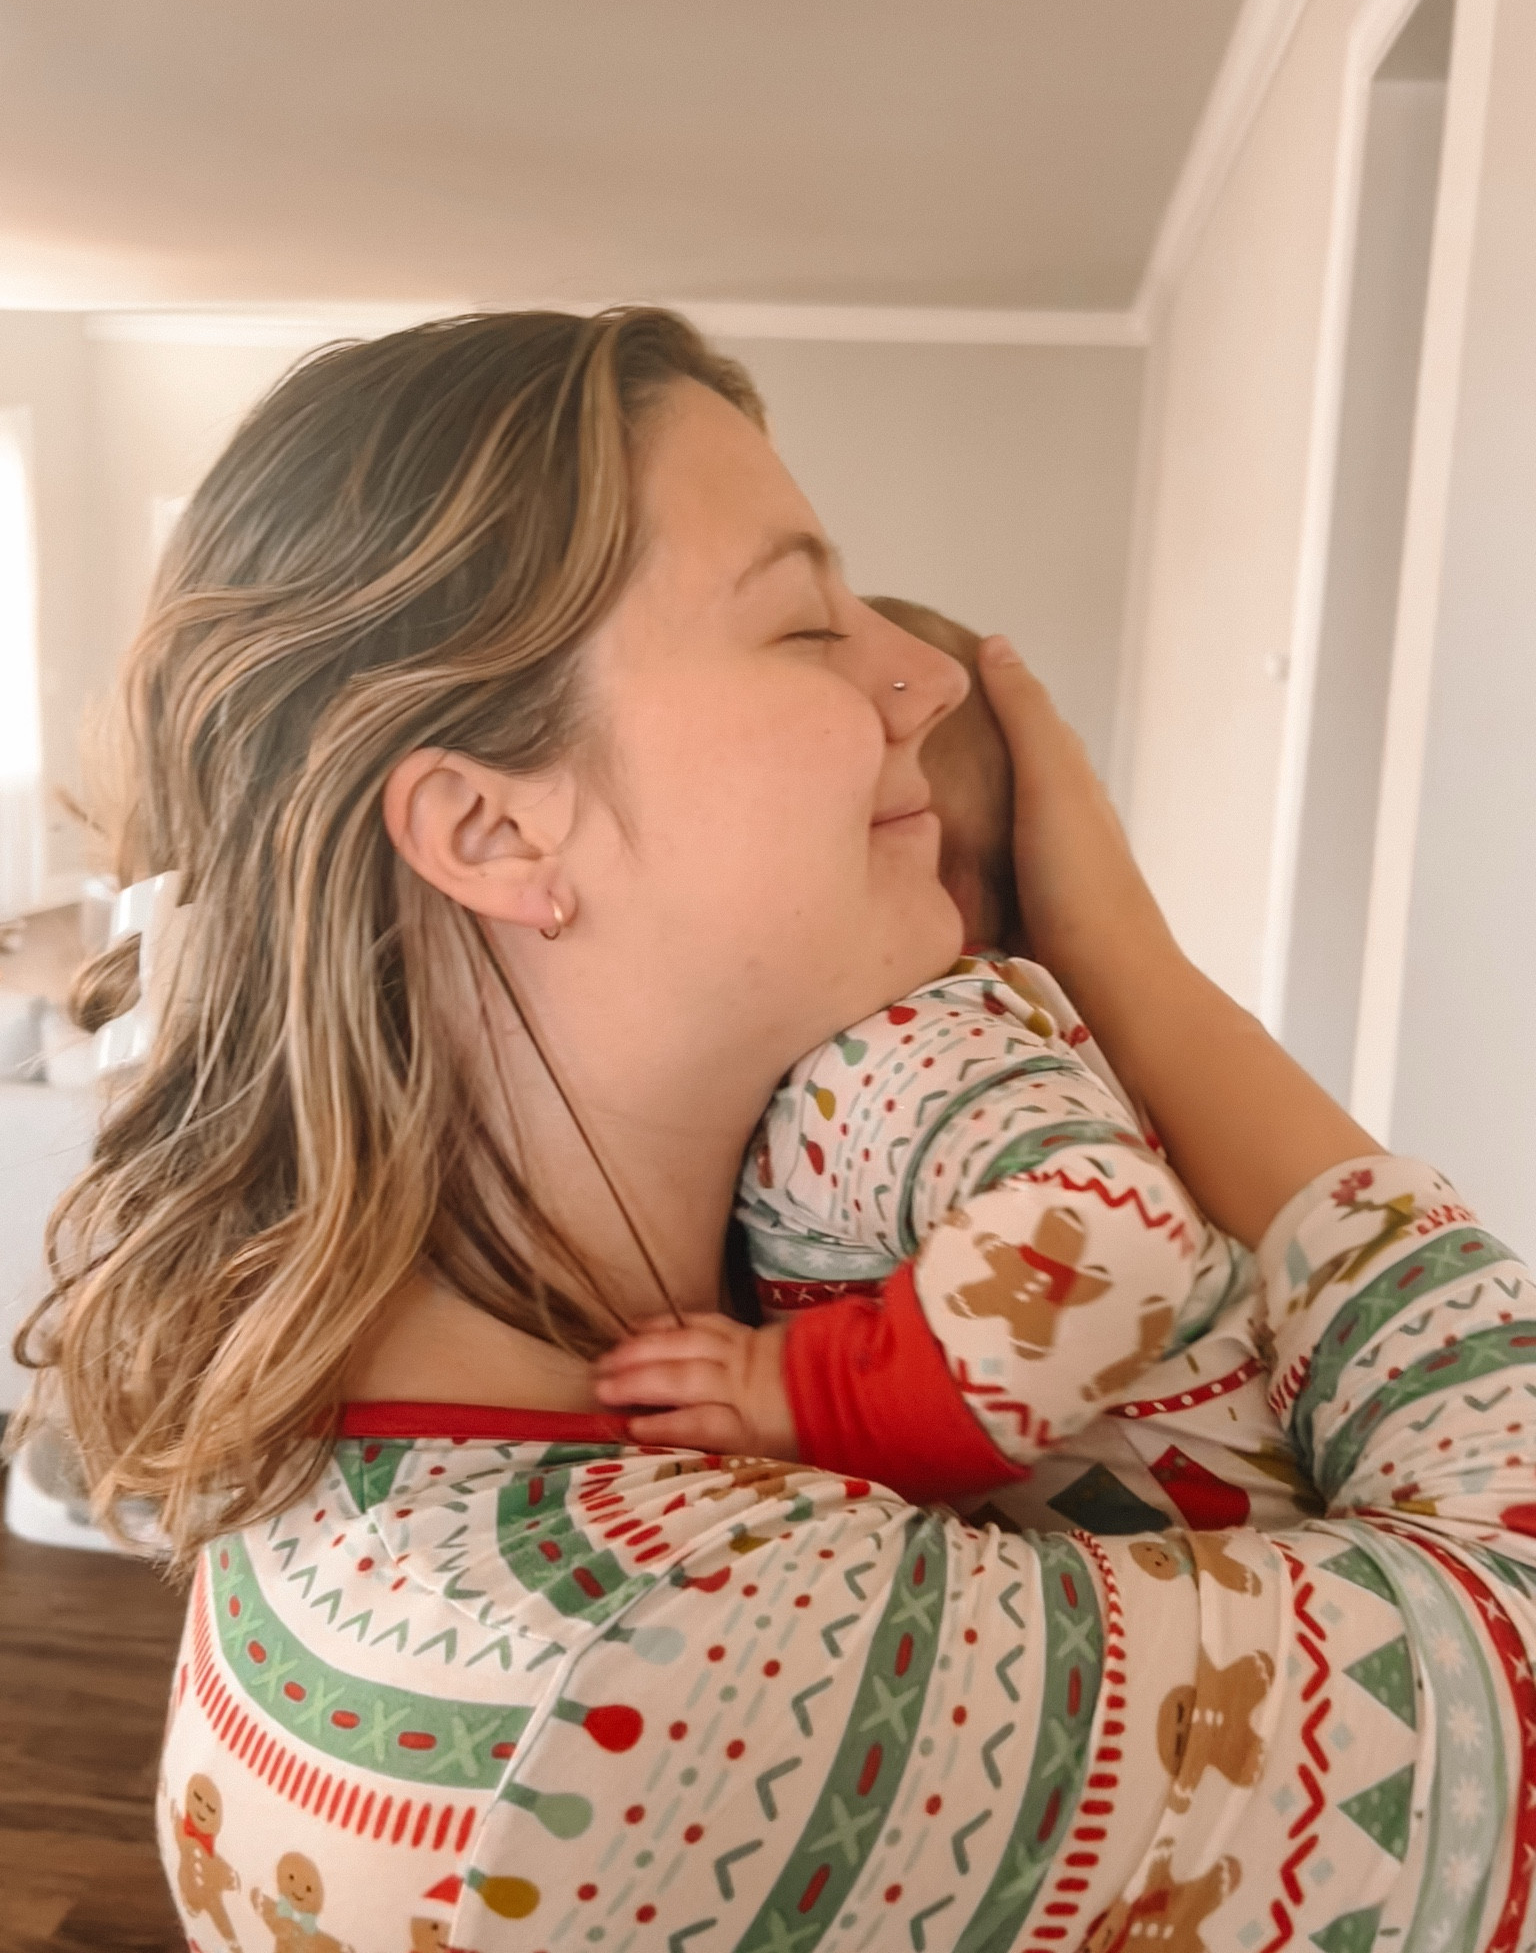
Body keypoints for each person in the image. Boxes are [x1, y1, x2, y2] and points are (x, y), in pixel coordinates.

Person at [15, 311, 1534, 1953]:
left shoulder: (379, 1448)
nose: (928, 673)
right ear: (492, 824)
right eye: (806, 620)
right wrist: (1144, 980)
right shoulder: (657, 1663)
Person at [597, 599, 1314, 1538]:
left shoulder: (895, 1044)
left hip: (1261, 1549)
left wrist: (803, 1394)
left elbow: (1113, 1236)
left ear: (932, 885)